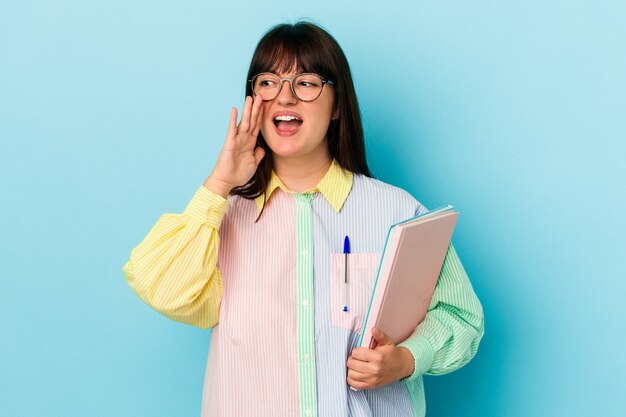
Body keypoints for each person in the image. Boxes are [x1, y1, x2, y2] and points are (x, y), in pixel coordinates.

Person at [122, 20, 484, 417]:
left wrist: (407, 360)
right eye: (268, 83)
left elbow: (460, 316)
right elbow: (162, 289)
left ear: (337, 105)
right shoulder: (220, 218)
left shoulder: (397, 212)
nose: (284, 98)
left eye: (306, 83)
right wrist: (219, 183)